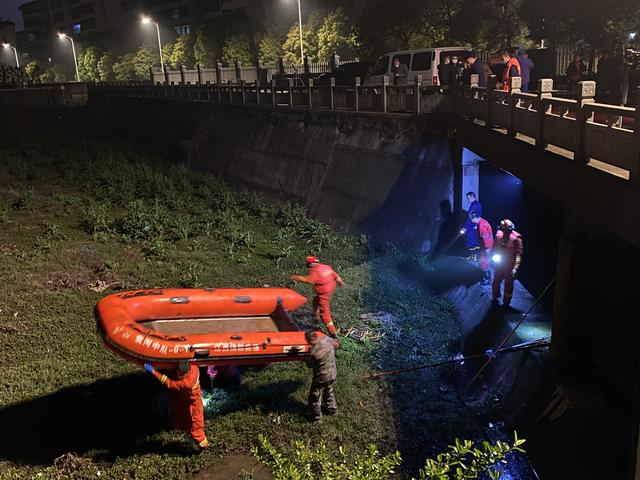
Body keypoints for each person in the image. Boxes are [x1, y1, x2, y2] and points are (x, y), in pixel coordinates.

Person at [143, 361, 209, 450]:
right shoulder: (194, 367)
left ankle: (203, 446)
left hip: (194, 404)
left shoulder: (186, 383)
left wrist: (153, 371)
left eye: (180, 374)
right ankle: (187, 432)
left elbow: (169, 383)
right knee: (181, 415)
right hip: (186, 398)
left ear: (186, 372)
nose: (178, 374)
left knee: (196, 426)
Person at [292, 256, 346, 337]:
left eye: (308, 264)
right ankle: (315, 315)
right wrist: (342, 283)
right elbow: (336, 276)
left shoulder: (315, 271)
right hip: (330, 288)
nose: (307, 265)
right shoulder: (326, 267)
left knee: (324, 313)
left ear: (311, 263)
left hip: (324, 293)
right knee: (315, 301)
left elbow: (309, 280)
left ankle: (333, 333)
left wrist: (296, 277)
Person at [304, 330, 338, 423]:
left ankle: (316, 418)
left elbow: (309, 365)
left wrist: (306, 356)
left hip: (322, 377)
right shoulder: (327, 340)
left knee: (315, 397)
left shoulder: (314, 351)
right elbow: (336, 345)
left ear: (310, 340)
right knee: (328, 391)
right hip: (333, 373)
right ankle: (333, 411)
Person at [491, 219, 523, 307]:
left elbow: (518, 255)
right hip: (499, 263)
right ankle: (495, 296)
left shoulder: (516, 239)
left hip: (510, 265)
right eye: (503, 230)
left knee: (508, 284)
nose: (504, 232)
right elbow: (494, 248)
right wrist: (492, 259)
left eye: (506, 230)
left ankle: (506, 302)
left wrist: (515, 268)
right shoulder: (498, 236)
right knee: (496, 280)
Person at [469, 212, 493, 285]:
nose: (472, 221)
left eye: (471, 220)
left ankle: (486, 279)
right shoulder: (484, 221)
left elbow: (485, 237)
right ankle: (488, 277)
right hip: (487, 246)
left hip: (485, 247)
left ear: (474, 218)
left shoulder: (481, 225)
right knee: (486, 262)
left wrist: (487, 248)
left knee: (482, 262)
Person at [460, 192, 482, 260]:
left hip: (471, 227)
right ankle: (474, 256)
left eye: (468, 198)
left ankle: (473, 256)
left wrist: (465, 227)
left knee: (470, 242)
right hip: (474, 227)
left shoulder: (474, 206)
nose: (467, 200)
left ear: (472, 197)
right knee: (475, 242)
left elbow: (471, 218)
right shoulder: (478, 204)